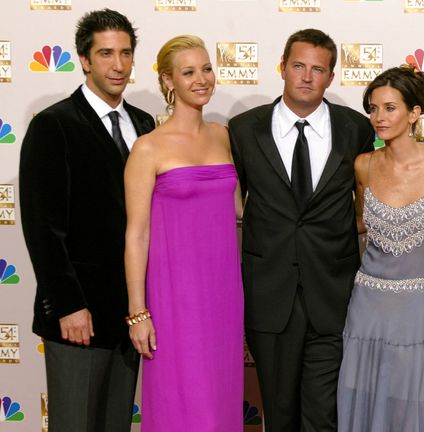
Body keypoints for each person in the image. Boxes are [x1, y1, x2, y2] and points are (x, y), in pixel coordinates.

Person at [228, 28, 375, 431]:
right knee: (279, 415)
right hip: (269, 293)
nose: (307, 77)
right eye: (298, 66)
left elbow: (371, 199)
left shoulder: (356, 128)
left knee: (323, 414)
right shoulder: (243, 130)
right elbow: (230, 204)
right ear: (282, 68)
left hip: (333, 294)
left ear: (331, 77)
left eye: (318, 69)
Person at [18, 9, 153, 431]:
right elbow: (43, 228)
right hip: (78, 316)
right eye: (106, 53)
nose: (118, 65)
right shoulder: (54, 125)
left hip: (130, 316)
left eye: (126, 53)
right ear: (84, 59)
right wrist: (68, 305)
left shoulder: (145, 126)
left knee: (115, 424)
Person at [124, 35, 243, 431]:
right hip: (175, 297)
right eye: (189, 72)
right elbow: (136, 235)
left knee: (220, 401)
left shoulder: (224, 136)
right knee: (183, 403)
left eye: (207, 68)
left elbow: (240, 212)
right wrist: (139, 313)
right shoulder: (148, 148)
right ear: (168, 81)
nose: (202, 79)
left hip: (223, 292)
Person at [336, 66, 424, 432]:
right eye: (373, 109)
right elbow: (358, 223)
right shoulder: (363, 165)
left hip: (423, 309)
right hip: (369, 307)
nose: (378, 118)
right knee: (367, 398)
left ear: (415, 113)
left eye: (390, 108)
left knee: (416, 408)